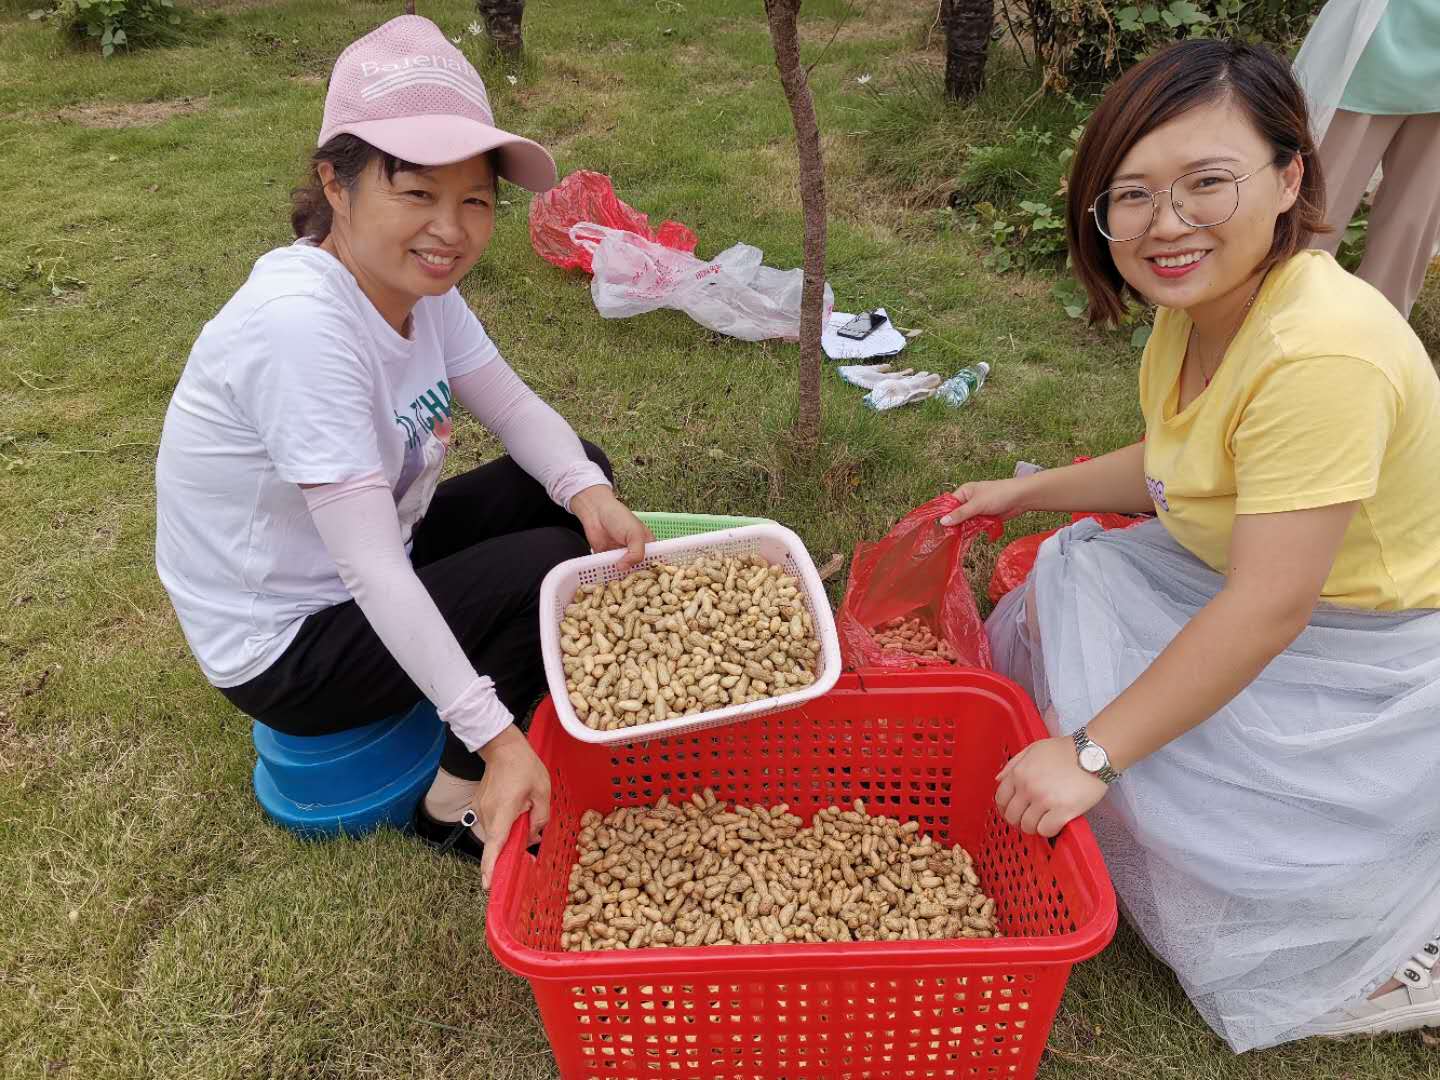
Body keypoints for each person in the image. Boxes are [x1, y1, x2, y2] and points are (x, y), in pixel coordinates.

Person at [942, 40, 1440, 1051]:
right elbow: (1183, 466)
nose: (1166, 225)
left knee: (1154, 780)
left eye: (1207, 183)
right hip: (1266, 580)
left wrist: (1093, 756)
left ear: (1291, 173)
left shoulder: (1320, 352)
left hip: (1367, 650)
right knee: (1075, 569)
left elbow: (1269, 608)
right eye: (1132, 195)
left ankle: (1388, 937)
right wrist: (1029, 490)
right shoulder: (1207, 302)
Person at [154, 14, 651, 886]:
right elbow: (374, 573)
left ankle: (479, 701)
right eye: (416, 193)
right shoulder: (302, 328)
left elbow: (512, 404)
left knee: (578, 480)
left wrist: (585, 488)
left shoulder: (416, 284)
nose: (450, 230)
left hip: (362, 557)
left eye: (474, 200)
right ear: (335, 187)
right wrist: (497, 740)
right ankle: (451, 799)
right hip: (284, 642)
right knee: (551, 571)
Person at [1295, 0, 1440, 317]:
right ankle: (1272, 333)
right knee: (1308, 221)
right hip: (1373, 45)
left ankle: (1371, 353)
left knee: (1406, 243)